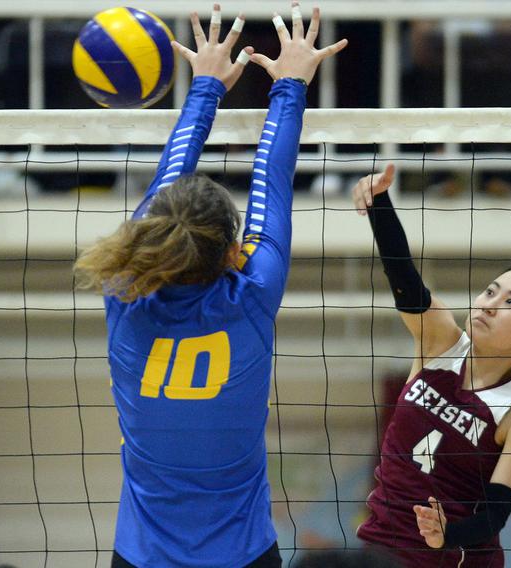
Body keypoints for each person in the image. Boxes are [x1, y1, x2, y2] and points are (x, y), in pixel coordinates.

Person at [73, 3, 347, 567]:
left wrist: (206, 88)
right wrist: (290, 83)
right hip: (243, 554)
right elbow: (273, 178)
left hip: (143, 556)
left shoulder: (125, 290)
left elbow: (167, 189)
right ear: (232, 251)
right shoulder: (251, 296)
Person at [350, 164, 511, 567]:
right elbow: (405, 278)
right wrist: (380, 204)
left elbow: (495, 515)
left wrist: (446, 534)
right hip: (379, 549)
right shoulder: (440, 340)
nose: (490, 304)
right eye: (491, 291)